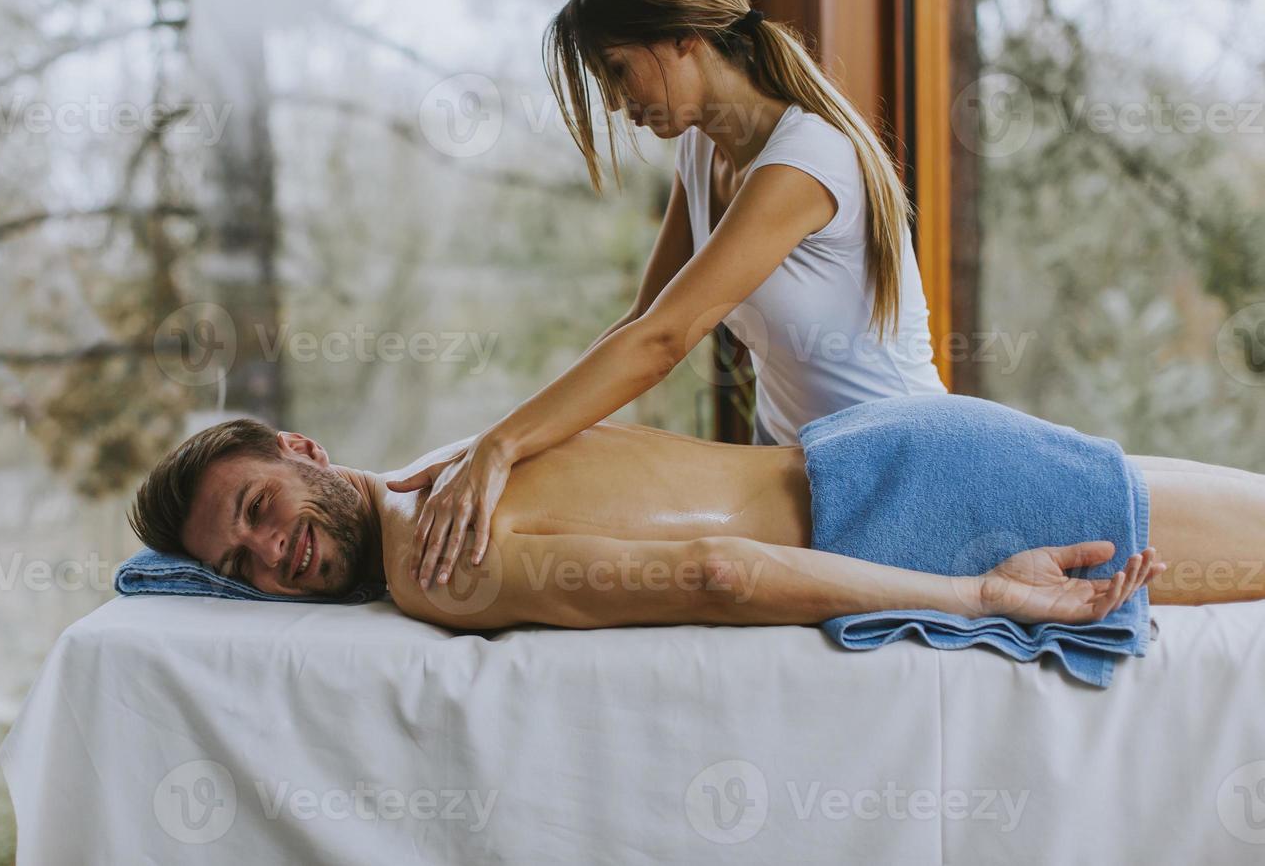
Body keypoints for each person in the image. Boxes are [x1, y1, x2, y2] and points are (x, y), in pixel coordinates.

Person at [385, 0, 948, 590]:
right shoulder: (704, 149)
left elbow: (662, 342)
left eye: (618, 70)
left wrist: (502, 446)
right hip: (797, 471)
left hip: (901, 472)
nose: (620, 105)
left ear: (684, 36)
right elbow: (641, 319)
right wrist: (501, 443)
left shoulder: (805, 161)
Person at [124, 393, 1265, 634]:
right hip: (888, 449)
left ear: (304, 449)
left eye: (260, 508)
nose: (275, 550)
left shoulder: (434, 554)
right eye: (241, 564)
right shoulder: (450, 460)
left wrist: (973, 593)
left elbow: (721, 570)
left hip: (905, 502)